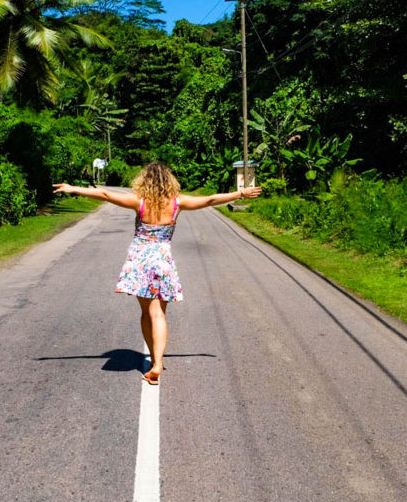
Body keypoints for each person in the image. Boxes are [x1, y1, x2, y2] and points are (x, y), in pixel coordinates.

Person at [52, 162, 263, 385]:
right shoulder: (177, 203)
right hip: (162, 260)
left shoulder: (139, 202)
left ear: (144, 181)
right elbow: (210, 199)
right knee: (159, 314)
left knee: (146, 313)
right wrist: (241, 193)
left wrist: (74, 188)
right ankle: (158, 363)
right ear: (169, 181)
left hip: (140, 260)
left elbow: (104, 194)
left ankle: (153, 360)